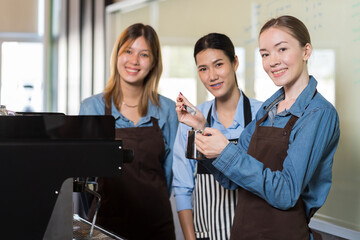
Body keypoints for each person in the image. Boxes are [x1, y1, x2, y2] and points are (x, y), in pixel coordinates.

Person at [181, 16, 340, 240]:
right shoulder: (267, 110)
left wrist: (226, 150)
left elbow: (286, 193)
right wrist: (201, 129)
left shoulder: (318, 113)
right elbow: (231, 180)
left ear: (306, 51)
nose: (272, 61)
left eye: (282, 49)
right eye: (265, 54)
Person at [79, 23, 177, 240]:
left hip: (156, 224)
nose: (134, 61)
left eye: (144, 54)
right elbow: (85, 178)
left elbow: (169, 174)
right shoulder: (91, 108)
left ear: (153, 63)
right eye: (128, 51)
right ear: (117, 56)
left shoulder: (168, 110)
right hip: (105, 226)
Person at [173, 33, 262, 240]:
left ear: (235, 62)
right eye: (203, 69)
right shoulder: (191, 121)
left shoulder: (262, 117)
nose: (212, 76)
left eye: (219, 64)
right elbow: (183, 189)